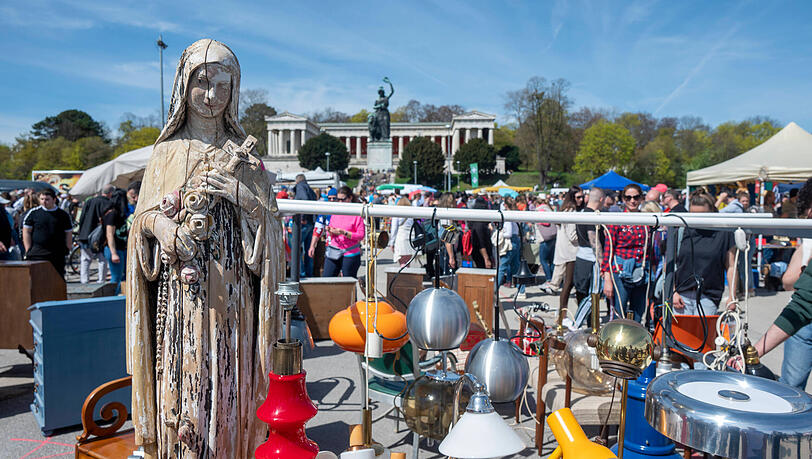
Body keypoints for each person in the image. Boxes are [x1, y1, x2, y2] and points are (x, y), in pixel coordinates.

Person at [126, 39, 284, 458]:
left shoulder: (249, 163)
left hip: (234, 308)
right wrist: (160, 225)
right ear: (184, 85)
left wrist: (245, 198)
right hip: (181, 304)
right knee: (186, 393)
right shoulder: (166, 153)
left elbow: (273, 236)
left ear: (235, 91)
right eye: (201, 82)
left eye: (222, 85)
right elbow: (139, 222)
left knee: (229, 394)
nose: (211, 95)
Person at [730, 177, 812, 386]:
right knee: (792, 387)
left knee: (792, 392)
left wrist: (753, 352)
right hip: (803, 327)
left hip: (802, 323)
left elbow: (802, 303)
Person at [669, 192, 737, 315]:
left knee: (703, 333)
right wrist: (673, 291)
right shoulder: (681, 231)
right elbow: (669, 263)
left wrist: (732, 296)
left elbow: (731, 266)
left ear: (712, 211)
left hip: (709, 295)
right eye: (693, 214)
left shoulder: (724, 233)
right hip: (681, 294)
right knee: (679, 334)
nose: (696, 219)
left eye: (702, 215)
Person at [602, 184, 650, 321]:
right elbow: (608, 250)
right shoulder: (616, 219)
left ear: (641, 198)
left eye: (636, 197)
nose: (632, 201)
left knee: (639, 312)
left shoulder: (647, 220)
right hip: (620, 270)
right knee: (619, 312)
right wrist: (607, 279)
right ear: (623, 199)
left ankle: (635, 341)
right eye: (628, 197)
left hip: (641, 271)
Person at [22, 188, 73, 276]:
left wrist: (67, 247)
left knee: (57, 278)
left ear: (54, 199)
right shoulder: (33, 213)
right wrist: (28, 249)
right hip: (37, 253)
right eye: (42, 199)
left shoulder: (63, 215)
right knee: (37, 278)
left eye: (47, 199)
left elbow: (68, 232)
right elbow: (26, 231)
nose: (44, 202)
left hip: (57, 253)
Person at [323, 186, 365, 277]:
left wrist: (344, 232)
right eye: (338, 199)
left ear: (350, 198)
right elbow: (331, 229)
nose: (340, 202)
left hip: (350, 252)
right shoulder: (335, 212)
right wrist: (330, 230)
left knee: (348, 284)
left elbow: (361, 235)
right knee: (326, 279)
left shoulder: (357, 214)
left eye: (343, 199)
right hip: (334, 250)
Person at [552, 186, 582, 311]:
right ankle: (562, 314)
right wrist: (584, 236)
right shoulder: (571, 211)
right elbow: (572, 236)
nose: (581, 199)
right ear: (573, 197)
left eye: (581, 196)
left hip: (566, 251)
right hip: (571, 252)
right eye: (578, 197)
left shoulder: (565, 209)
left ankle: (562, 314)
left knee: (569, 284)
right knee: (569, 284)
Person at [574, 188, 605, 305]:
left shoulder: (581, 213)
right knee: (591, 294)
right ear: (601, 199)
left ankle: (584, 319)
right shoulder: (592, 216)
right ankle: (589, 321)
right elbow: (593, 239)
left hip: (581, 256)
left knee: (581, 292)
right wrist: (601, 261)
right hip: (590, 259)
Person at [77, 185, 113, 283]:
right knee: (101, 259)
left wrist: (81, 231)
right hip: (99, 236)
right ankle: (101, 280)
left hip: (85, 233)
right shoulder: (108, 203)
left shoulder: (90, 201)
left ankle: (84, 280)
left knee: (85, 259)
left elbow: (82, 217)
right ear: (110, 193)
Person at [103, 188, 129, 293]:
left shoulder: (119, 214)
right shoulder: (112, 214)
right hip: (114, 249)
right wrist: (113, 253)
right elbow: (109, 234)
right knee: (116, 277)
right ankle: (112, 299)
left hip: (121, 248)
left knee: (123, 276)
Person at [293, 173, 317, 277]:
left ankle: (301, 274)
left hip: (304, 222)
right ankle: (309, 273)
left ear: (297, 181)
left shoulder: (300, 187)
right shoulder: (310, 189)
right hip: (311, 223)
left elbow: (304, 200)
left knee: (295, 247)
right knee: (309, 250)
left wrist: (302, 217)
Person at [534, 196, 557, 292]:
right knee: (551, 260)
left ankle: (548, 279)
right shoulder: (549, 209)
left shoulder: (539, 210)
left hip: (544, 238)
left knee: (543, 260)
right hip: (553, 237)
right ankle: (553, 279)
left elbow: (545, 223)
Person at [389, 197, 416, 266]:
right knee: (407, 262)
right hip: (411, 236)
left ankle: (402, 276)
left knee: (402, 262)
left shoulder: (397, 212)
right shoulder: (412, 212)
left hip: (401, 236)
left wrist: (391, 242)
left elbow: (394, 228)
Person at [468, 197, 494, 269]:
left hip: (478, 253)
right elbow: (481, 244)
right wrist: (487, 259)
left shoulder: (474, 221)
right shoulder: (480, 225)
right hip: (482, 255)